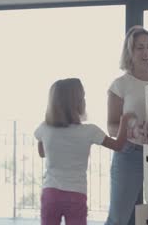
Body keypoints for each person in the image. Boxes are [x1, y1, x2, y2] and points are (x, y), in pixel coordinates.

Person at [35, 78, 132, 225]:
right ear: (78, 102)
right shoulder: (89, 131)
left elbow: (42, 153)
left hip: (50, 193)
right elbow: (118, 146)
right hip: (76, 194)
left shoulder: (44, 128)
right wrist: (124, 120)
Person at [105, 26, 148, 225]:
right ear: (130, 52)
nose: (146, 52)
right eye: (140, 47)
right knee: (120, 218)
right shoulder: (120, 85)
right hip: (129, 155)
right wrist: (131, 130)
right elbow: (112, 126)